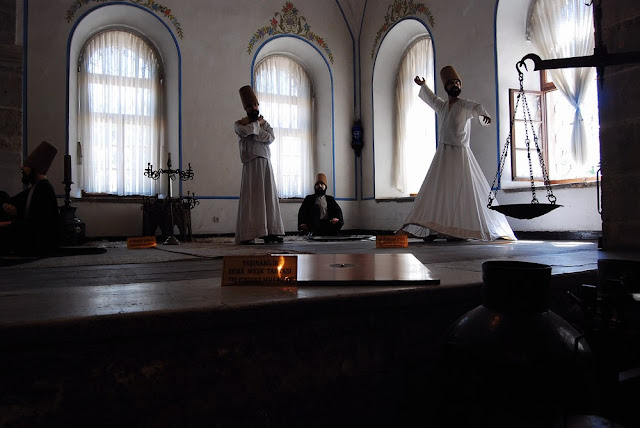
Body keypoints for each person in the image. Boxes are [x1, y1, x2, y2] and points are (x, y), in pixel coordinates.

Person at [400, 65, 516, 241]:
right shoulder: (442, 106)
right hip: (443, 154)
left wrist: (483, 115)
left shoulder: (464, 105)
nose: (455, 85)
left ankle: (460, 230)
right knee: (439, 190)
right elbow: (431, 99)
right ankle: (434, 229)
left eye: (457, 83)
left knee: (463, 191)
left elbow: (477, 107)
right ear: (446, 87)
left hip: (461, 153)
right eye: (452, 83)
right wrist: (423, 85)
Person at [233, 85, 285, 244]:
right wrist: (256, 126)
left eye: (256, 105)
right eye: (250, 106)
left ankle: (270, 231)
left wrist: (256, 130)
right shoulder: (239, 123)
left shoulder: (265, 123)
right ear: (246, 108)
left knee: (267, 196)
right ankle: (248, 233)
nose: (254, 108)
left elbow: (270, 138)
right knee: (252, 197)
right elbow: (244, 132)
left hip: (265, 162)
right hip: (250, 163)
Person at [1, 141, 60, 255]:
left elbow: (37, 226)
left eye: (26, 166)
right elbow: (11, 200)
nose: (22, 168)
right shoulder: (36, 188)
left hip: (38, 244)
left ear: (35, 168)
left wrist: (11, 225)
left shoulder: (44, 190)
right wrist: (4, 205)